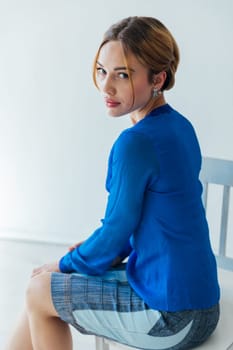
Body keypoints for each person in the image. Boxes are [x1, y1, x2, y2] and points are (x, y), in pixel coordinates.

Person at [5, 16, 220, 350]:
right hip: (201, 301)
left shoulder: (135, 143)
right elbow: (133, 227)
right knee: (47, 285)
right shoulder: (180, 127)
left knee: (39, 289)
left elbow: (116, 231)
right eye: (102, 71)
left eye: (123, 75)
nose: (106, 87)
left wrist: (66, 263)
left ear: (157, 79)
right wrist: (80, 260)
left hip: (171, 316)